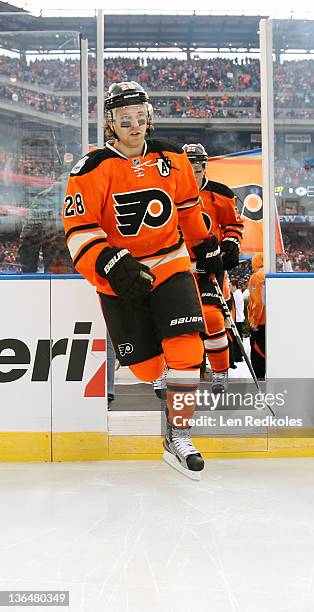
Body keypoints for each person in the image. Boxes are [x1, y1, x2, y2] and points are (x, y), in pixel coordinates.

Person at [63, 81, 223, 479]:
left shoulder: (173, 156)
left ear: (149, 117)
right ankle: (163, 384)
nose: (134, 125)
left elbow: (187, 206)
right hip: (122, 276)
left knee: (186, 350)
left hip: (170, 264)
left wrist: (205, 243)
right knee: (146, 368)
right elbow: (78, 228)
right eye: (124, 119)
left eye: (139, 117)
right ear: (110, 124)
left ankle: (179, 433)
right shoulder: (91, 168)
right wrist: (107, 262)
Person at [183, 143, 244, 393]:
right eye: (187, 170)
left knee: (211, 318)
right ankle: (170, 370)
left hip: (210, 264)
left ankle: (220, 372)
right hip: (175, 266)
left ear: (204, 168)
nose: (192, 176)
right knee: (171, 321)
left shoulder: (220, 194)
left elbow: (233, 225)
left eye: (196, 170)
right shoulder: (164, 193)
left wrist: (230, 245)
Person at [248, 252, 265, 380]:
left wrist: (254, 322)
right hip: (272, 322)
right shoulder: (271, 274)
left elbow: (258, 302)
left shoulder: (257, 277)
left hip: (261, 323)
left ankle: (260, 385)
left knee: (258, 356)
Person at [230, 279, 246, 363]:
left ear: (234, 286)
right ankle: (238, 355)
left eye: (230, 286)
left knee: (237, 339)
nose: (229, 288)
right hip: (239, 318)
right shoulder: (238, 293)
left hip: (237, 318)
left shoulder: (236, 294)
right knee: (238, 338)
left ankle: (238, 356)